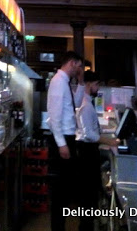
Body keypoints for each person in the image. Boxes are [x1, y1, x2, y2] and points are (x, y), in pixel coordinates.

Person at [76, 71, 119, 231]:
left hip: (88, 150)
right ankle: (85, 227)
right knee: (89, 192)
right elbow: (89, 134)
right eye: (96, 84)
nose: (98, 87)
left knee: (90, 192)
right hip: (87, 151)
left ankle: (88, 224)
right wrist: (109, 141)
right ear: (88, 84)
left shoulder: (87, 102)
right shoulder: (86, 105)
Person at [46, 50, 84, 231]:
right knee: (60, 190)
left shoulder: (64, 82)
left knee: (65, 187)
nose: (79, 69)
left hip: (67, 138)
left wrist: (81, 82)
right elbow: (54, 116)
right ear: (71, 63)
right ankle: (57, 227)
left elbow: (76, 104)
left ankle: (60, 226)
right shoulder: (58, 82)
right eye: (79, 66)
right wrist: (61, 144)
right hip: (62, 140)